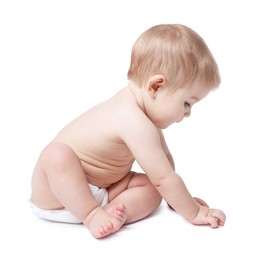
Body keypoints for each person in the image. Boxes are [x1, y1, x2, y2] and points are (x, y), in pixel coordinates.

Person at [30, 24, 226, 239]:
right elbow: (164, 178)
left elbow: (165, 169)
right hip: (58, 194)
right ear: (156, 86)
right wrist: (195, 212)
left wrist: (180, 200)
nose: (187, 113)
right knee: (56, 154)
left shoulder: (143, 115)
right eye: (187, 103)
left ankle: (111, 214)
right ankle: (92, 215)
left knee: (153, 189)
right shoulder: (131, 119)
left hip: (104, 189)